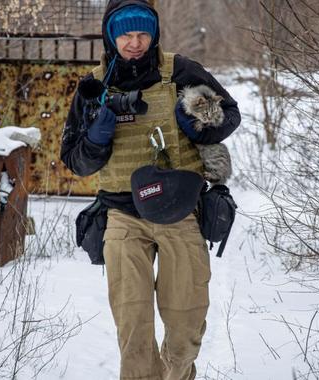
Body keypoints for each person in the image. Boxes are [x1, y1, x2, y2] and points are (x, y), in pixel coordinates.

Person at [60, 0, 241, 379]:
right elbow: (75, 161)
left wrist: (195, 125)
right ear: (111, 34)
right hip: (123, 216)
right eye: (126, 34)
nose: (135, 42)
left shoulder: (180, 71)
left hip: (181, 212)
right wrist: (96, 138)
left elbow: (229, 116)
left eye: (143, 33)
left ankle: (177, 373)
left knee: (186, 326)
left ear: (154, 33)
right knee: (133, 328)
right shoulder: (94, 86)